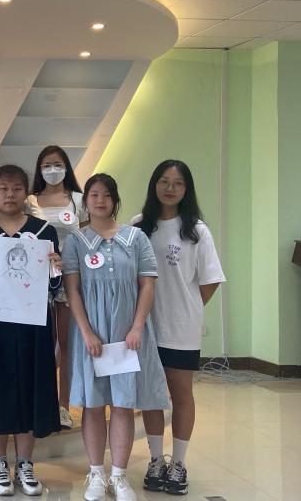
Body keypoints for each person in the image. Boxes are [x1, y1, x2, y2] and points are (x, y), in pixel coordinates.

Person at [63, 173, 168, 501]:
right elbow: (72, 290)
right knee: (94, 405)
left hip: (127, 337)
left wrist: (136, 327)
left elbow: (147, 284)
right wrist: (86, 332)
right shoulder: (75, 241)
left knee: (123, 404)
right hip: (91, 336)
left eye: (106, 195)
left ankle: (119, 476)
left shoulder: (136, 238)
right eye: (94, 195)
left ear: (115, 200)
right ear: (85, 201)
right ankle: (96, 474)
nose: (100, 200)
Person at [0, 165, 62, 497]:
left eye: (17, 188)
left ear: (26, 193)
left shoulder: (44, 231)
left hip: (33, 325)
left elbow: (55, 287)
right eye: (4, 188)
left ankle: (25, 462)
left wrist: (56, 271)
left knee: (30, 387)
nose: (10, 195)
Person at [134, 161, 225, 496]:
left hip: (181, 329)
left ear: (187, 190)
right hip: (145, 327)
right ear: (154, 185)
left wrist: (189, 308)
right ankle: (156, 460)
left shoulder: (196, 230)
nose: (170, 188)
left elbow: (211, 280)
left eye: (178, 183)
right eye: (164, 181)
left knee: (181, 395)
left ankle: (179, 463)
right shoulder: (138, 227)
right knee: (151, 396)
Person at [26, 145, 86, 431]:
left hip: (70, 277)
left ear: (67, 167)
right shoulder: (30, 200)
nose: (53, 170)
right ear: (39, 169)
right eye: (47, 165)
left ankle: (63, 405)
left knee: (66, 343)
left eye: (58, 164)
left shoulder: (78, 199)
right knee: (42, 344)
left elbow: (87, 237)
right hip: (36, 279)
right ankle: (43, 401)